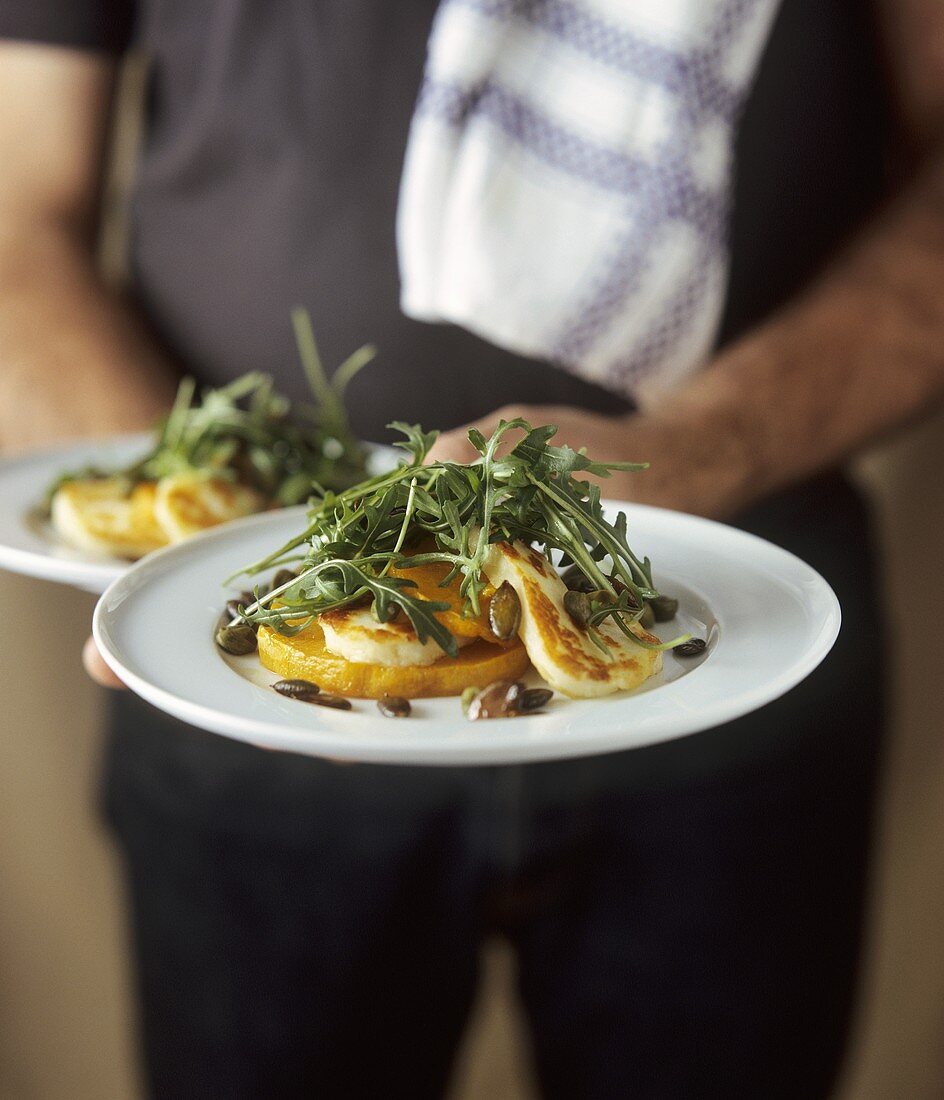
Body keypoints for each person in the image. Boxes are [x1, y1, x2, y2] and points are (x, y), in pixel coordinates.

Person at [1, 2, 942, 1097]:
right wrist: (206, 557)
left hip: (738, 643)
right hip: (252, 681)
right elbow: (15, 213)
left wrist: (695, 444)